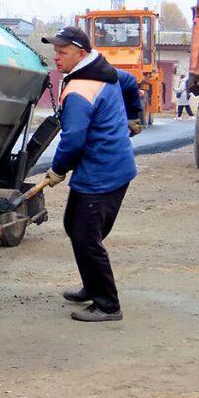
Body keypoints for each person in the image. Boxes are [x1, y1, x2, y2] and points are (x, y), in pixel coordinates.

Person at [41, 26, 137, 322]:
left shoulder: (80, 91)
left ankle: (108, 305)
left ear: (80, 53)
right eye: (55, 51)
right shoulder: (102, 70)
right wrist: (134, 113)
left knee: (86, 237)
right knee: (74, 225)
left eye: (62, 52)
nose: (56, 57)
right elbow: (130, 81)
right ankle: (92, 286)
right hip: (104, 166)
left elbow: (72, 140)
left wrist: (57, 170)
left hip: (103, 172)